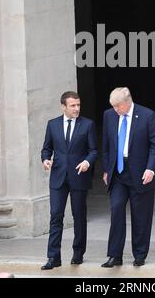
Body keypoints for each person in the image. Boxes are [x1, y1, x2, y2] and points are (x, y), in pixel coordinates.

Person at [101, 87, 155, 268]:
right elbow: (105, 145)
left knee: (141, 215)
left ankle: (140, 254)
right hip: (118, 173)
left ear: (127, 102)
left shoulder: (147, 115)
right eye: (113, 106)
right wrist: (106, 169)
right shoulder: (109, 115)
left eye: (118, 106)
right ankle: (114, 255)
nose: (115, 110)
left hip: (140, 173)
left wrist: (150, 169)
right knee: (117, 210)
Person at [41, 91, 97, 270]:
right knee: (56, 216)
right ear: (63, 106)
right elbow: (46, 148)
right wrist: (45, 159)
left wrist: (87, 162)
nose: (77, 109)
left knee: (79, 216)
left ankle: (78, 253)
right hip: (58, 177)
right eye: (73, 105)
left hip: (79, 176)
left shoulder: (87, 125)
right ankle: (53, 257)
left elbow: (94, 150)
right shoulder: (52, 125)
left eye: (78, 105)